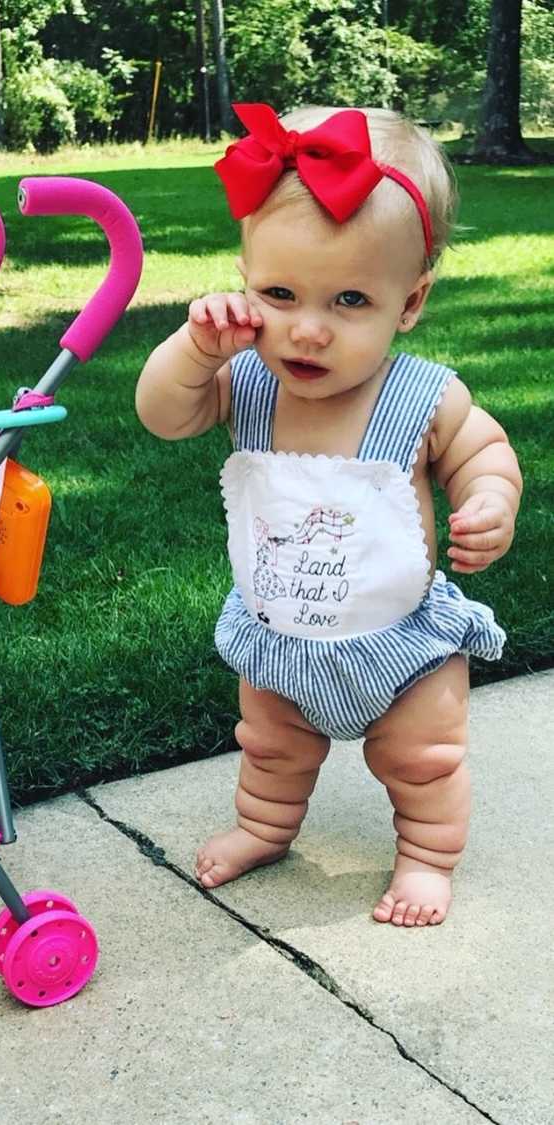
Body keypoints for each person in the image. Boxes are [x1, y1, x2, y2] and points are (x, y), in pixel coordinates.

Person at [135, 104, 522, 927]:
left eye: (350, 299)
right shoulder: (244, 380)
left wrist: (490, 497)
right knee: (271, 748)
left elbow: (483, 452)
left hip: (402, 643)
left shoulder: (424, 396)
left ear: (409, 302)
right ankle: (263, 828)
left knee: (421, 758)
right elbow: (163, 415)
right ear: (245, 280)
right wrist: (193, 353)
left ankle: (424, 855)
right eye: (279, 293)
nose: (306, 330)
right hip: (279, 635)